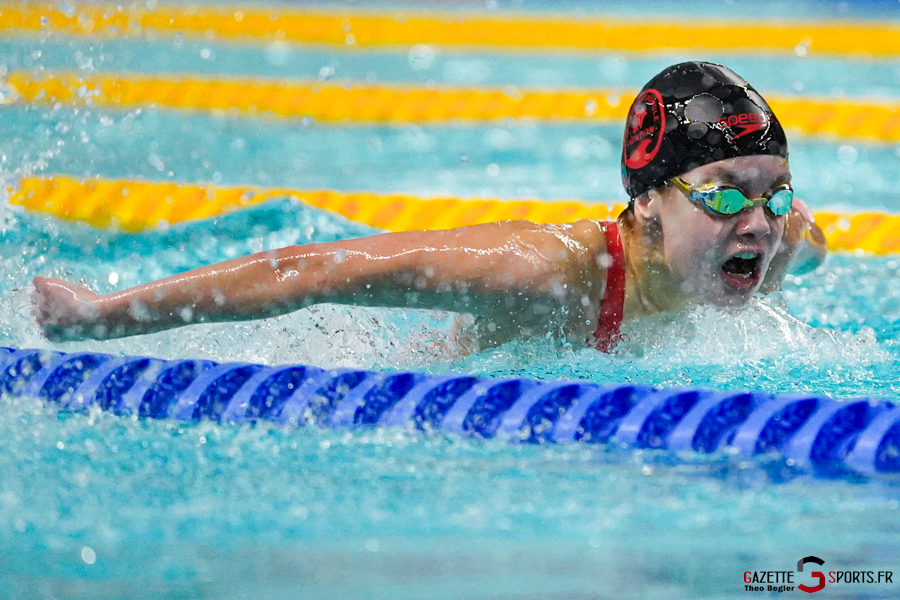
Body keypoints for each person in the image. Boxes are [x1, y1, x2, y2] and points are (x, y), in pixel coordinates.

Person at [31, 61, 827, 352]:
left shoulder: (780, 244)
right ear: (649, 202)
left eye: (773, 193)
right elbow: (312, 269)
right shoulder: (543, 273)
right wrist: (106, 314)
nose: (757, 222)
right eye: (724, 193)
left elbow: (808, 235)